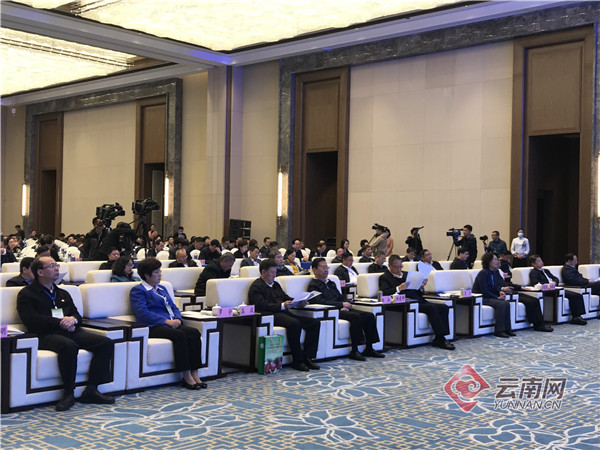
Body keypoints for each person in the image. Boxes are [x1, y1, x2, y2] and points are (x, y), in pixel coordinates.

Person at [17, 256, 115, 411]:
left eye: (56, 265)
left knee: (105, 343)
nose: (57, 268)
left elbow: (77, 315)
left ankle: (92, 389)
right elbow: (31, 320)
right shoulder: (26, 294)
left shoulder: (62, 293)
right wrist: (60, 322)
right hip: (43, 334)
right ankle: (68, 393)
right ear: (40, 272)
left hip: (69, 331)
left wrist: (73, 320)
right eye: (52, 266)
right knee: (69, 346)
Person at [130, 257, 206, 390]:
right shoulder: (138, 291)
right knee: (180, 335)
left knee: (193, 333)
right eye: (156, 272)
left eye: (160, 271)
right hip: (153, 326)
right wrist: (166, 321)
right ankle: (186, 375)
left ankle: (195, 372)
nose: (160, 275)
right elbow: (143, 313)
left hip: (171, 323)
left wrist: (178, 319)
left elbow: (173, 306)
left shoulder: (162, 288)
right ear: (147, 275)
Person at [248, 259, 320, 371]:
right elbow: (261, 305)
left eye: (275, 272)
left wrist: (298, 302)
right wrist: (282, 306)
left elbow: (286, 298)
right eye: (272, 273)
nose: (274, 275)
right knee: (294, 323)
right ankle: (297, 361)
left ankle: (308, 357)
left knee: (314, 323)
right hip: (270, 315)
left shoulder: (276, 285)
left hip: (284, 313)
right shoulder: (256, 287)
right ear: (263, 272)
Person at [308, 258, 384, 361]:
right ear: (314, 270)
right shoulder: (313, 285)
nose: (326, 270)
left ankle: (369, 348)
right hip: (332, 311)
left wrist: (346, 304)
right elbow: (320, 301)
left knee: (369, 315)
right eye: (323, 267)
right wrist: (340, 305)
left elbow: (340, 296)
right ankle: (354, 350)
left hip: (342, 308)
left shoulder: (331, 283)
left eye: (327, 267)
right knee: (356, 317)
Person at [379, 255, 455, 350]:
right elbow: (385, 292)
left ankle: (439, 337)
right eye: (397, 267)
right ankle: (441, 339)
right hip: (407, 303)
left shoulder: (407, 275)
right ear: (390, 266)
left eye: (401, 266)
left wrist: (421, 286)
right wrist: (399, 288)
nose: (399, 269)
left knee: (444, 307)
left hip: (418, 299)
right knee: (432, 308)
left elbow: (416, 289)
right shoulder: (384, 277)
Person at [529, 254, 586, 326]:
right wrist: (548, 286)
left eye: (541, 260)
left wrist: (554, 283)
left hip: (554, 288)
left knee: (577, 295)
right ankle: (576, 317)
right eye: (538, 261)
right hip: (547, 290)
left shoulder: (546, 270)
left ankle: (578, 316)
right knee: (573, 296)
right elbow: (536, 284)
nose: (541, 262)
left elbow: (556, 278)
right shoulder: (534, 273)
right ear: (533, 264)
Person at [472, 252, 515, 338]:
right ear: (488, 261)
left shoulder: (494, 272)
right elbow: (485, 291)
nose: (497, 261)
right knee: (501, 304)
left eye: (497, 260)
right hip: (481, 297)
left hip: (489, 296)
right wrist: (497, 297)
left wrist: (499, 291)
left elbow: (494, 286)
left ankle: (507, 329)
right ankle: (499, 330)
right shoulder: (483, 273)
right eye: (495, 260)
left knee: (506, 303)